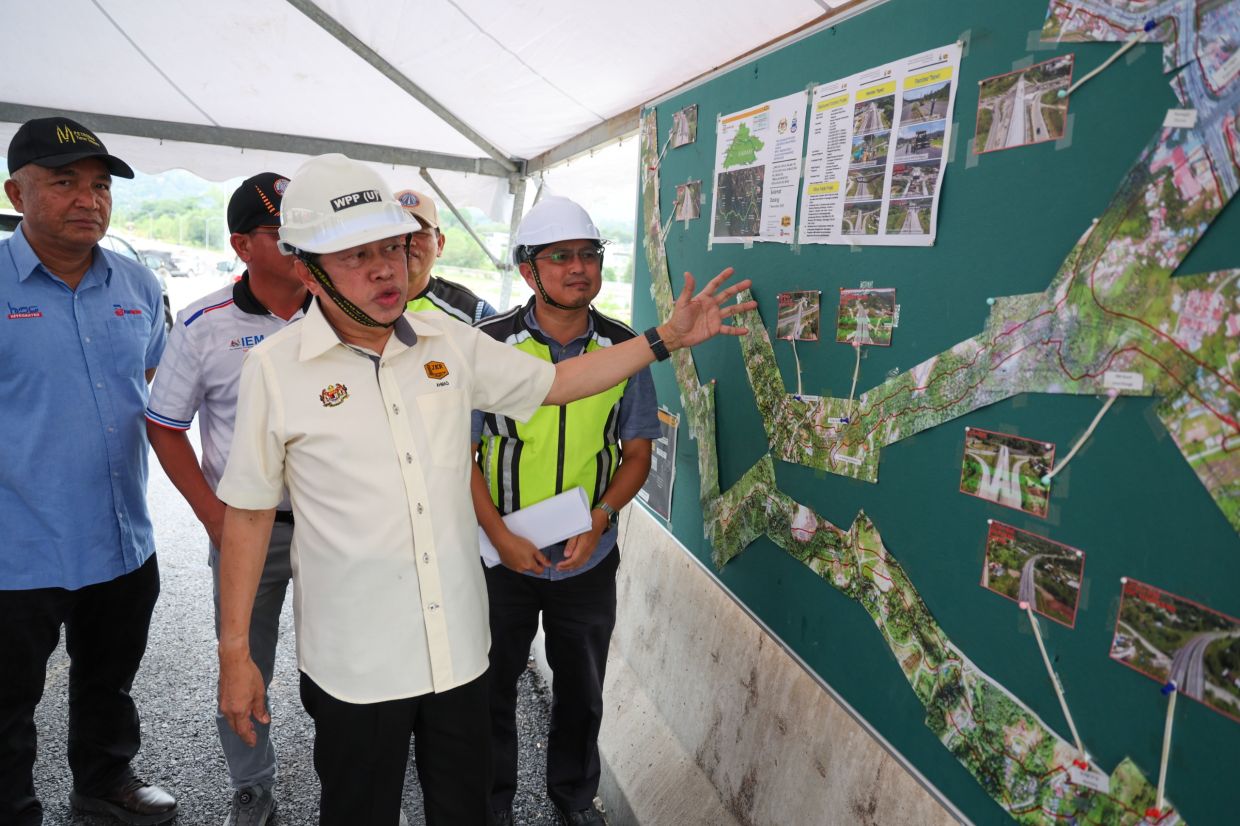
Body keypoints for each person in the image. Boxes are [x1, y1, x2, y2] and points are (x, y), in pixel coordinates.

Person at [213, 153, 753, 826]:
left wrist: (665, 338)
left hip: (458, 652)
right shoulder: (275, 370)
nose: (385, 268)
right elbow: (248, 516)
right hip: (357, 661)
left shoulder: (449, 341)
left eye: (392, 246)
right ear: (306, 268)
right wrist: (236, 654)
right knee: (358, 811)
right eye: (354, 256)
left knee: (464, 810)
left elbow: (558, 385)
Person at [0, 117, 175, 825]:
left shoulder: (137, 281)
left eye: (100, 185)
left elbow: (162, 388)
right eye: (64, 182)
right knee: (7, 700)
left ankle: (105, 783)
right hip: (16, 547)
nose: (88, 199)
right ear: (16, 191)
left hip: (121, 537)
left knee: (110, 683)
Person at [470, 196, 659, 826]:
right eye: (561, 257)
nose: (578, 268)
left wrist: (600, 519)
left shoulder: (625, 350)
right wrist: (499, 533)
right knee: (489, 690)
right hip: (501, 558)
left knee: (582, 690)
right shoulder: (487, 347)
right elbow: (456, 455)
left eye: (589, 255)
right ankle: (491, 805)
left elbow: (635, 454)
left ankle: (575, 800)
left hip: (588, 556)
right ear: (530, 271)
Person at [146, 172, 308, 826]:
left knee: (349, 658)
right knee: (243, 661)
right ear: (242, 245)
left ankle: (357, 772)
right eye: (282, 231)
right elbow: (164, 423)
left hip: (338, 527)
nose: (300, 243)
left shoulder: (346, 312)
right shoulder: (204, 323)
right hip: (247, 527)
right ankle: (252, 786)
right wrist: (212, 517)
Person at [394, 188, 495, 323]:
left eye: (420, 232)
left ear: (440, 244)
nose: (408, 241)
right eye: (396, 231)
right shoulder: (358, 300)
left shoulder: (472, 312)